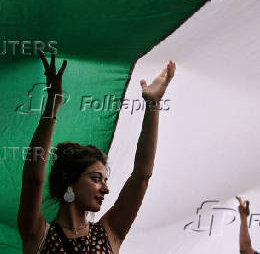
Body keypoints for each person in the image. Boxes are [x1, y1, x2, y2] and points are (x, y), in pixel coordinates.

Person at [17, 50, 176, 253]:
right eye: (96, 178)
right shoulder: (38, 235)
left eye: (105, 180)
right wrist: (52, 104)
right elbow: (33, 179)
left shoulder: (109, 233)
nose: (106, 189)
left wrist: (152, 104)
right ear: (70, 182)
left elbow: (141, 176)